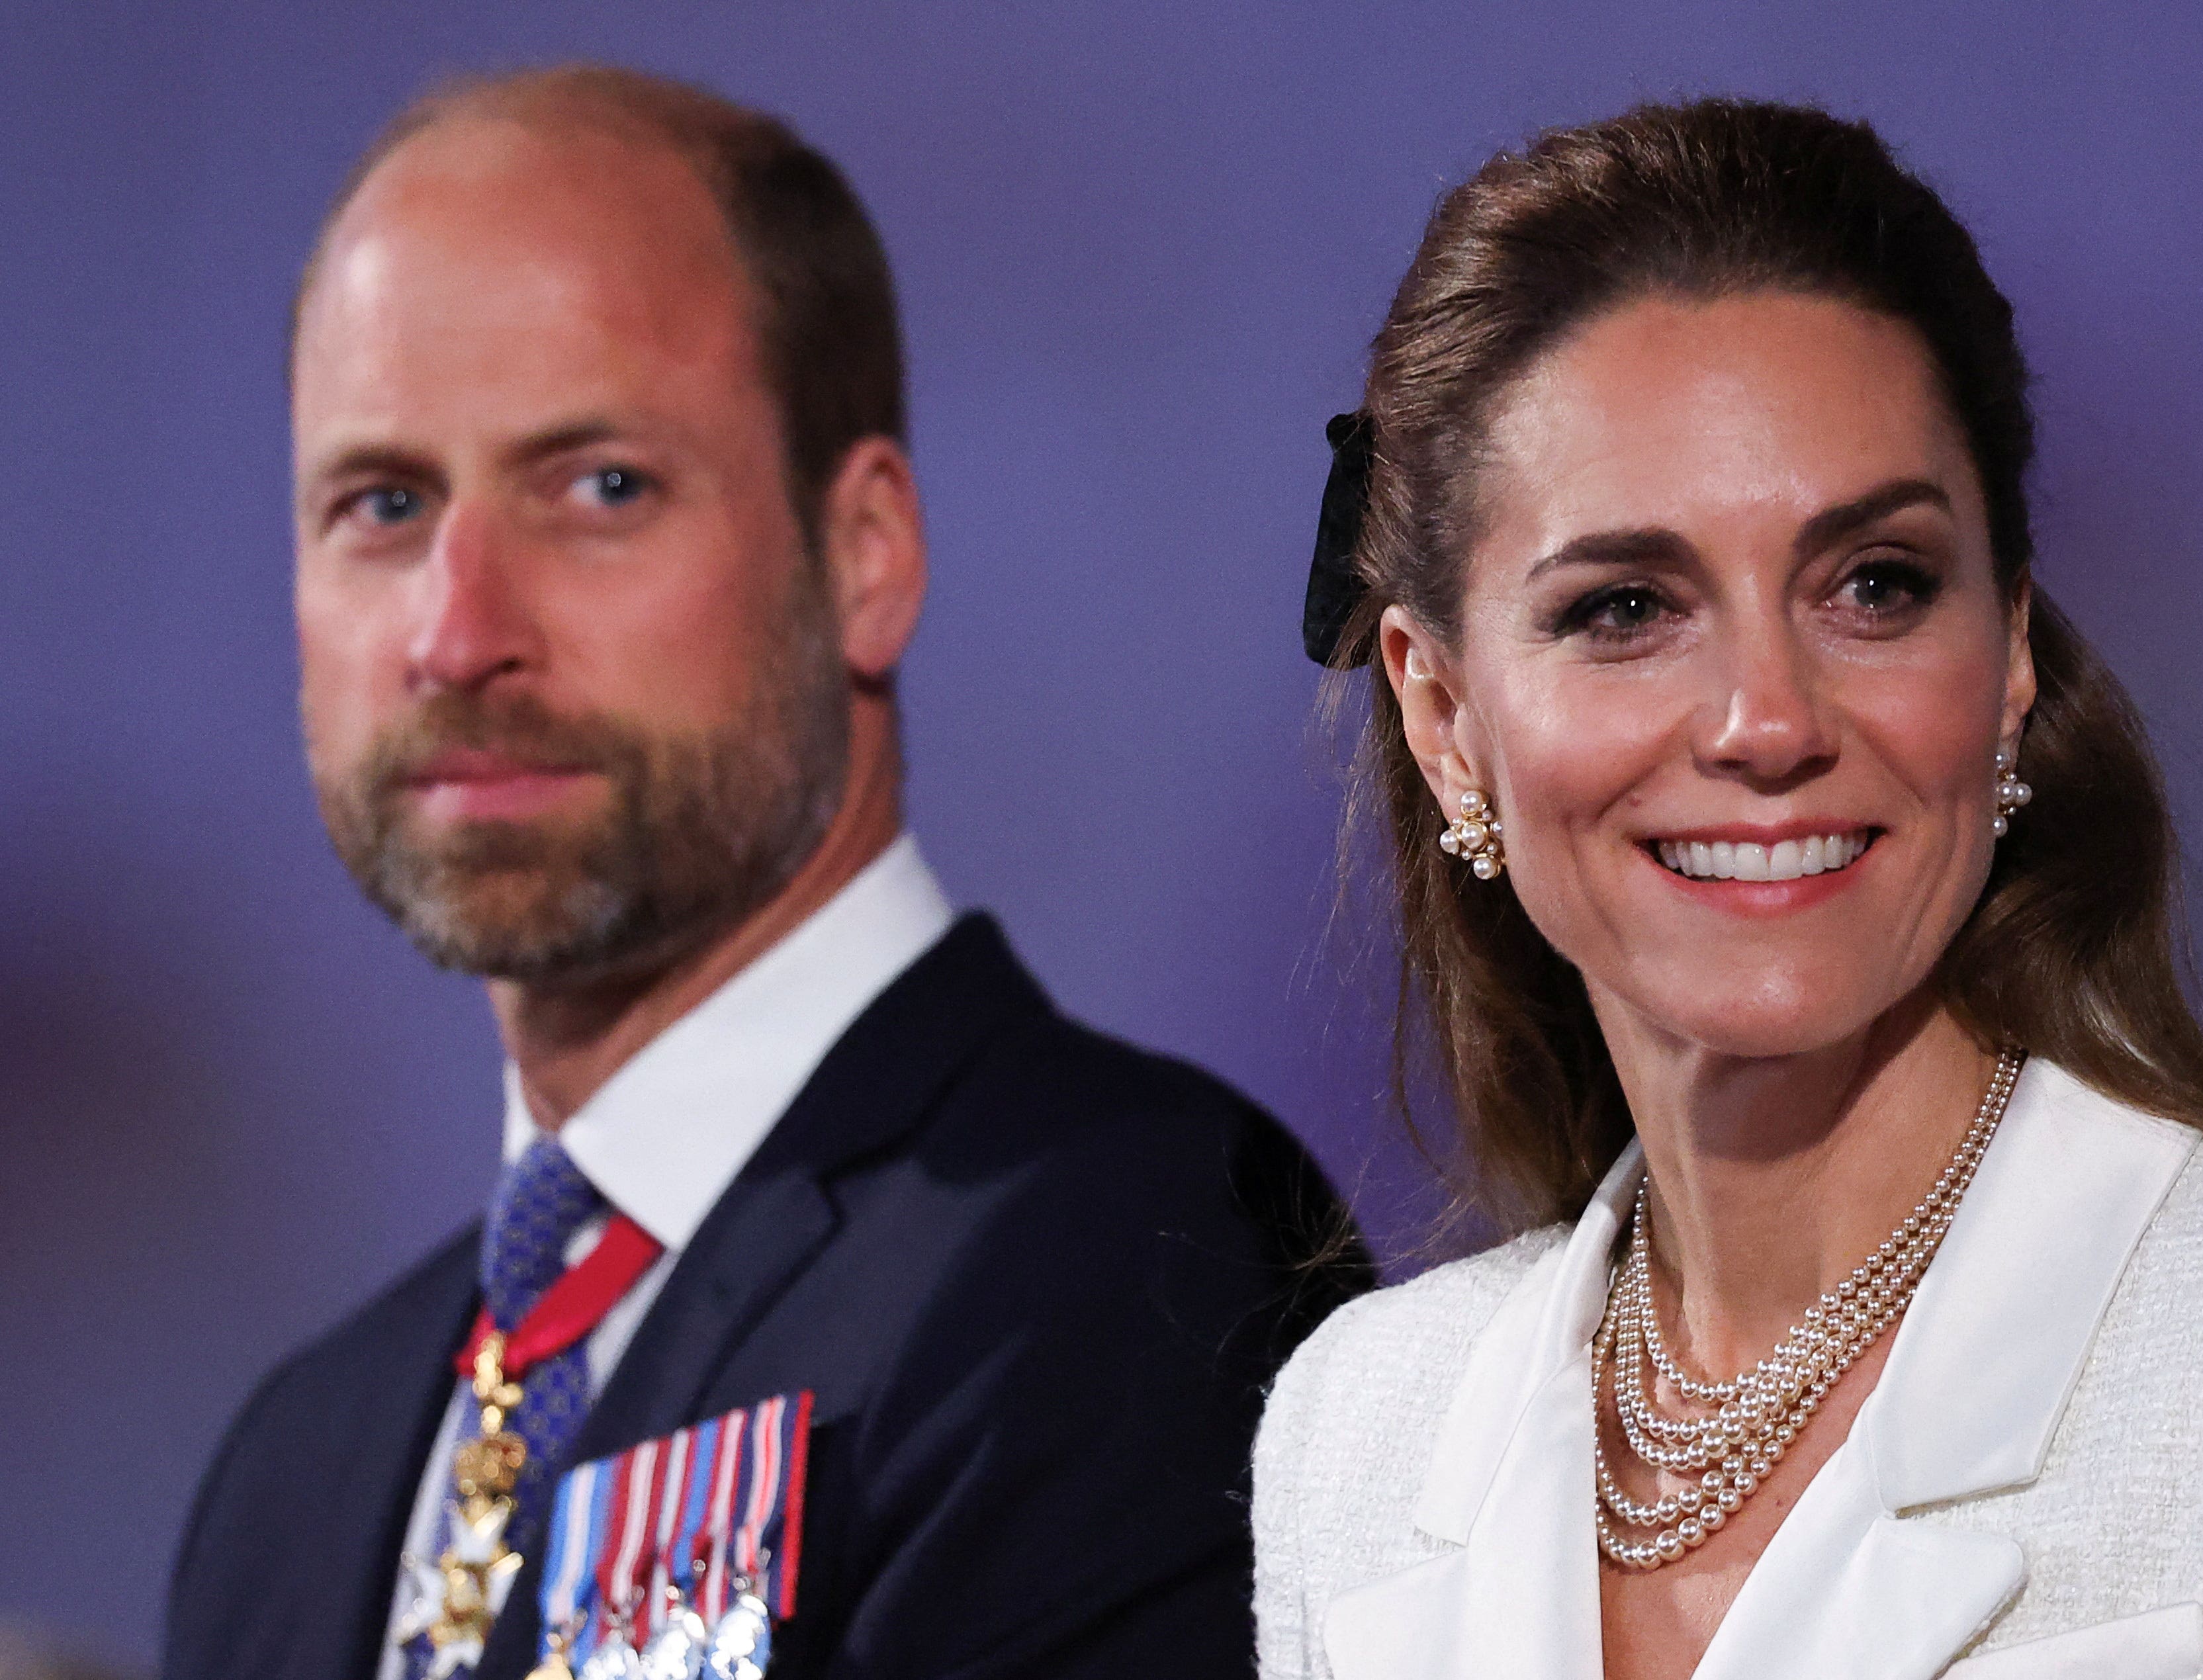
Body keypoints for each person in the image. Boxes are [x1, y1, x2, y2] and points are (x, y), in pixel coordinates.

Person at [1255, 98, 2203, 1680]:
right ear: (1442, 719)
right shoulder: (1358, 1432)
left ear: (2004, 656)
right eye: (1628, 606)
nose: (1766, 721)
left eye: (1875, 586)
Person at [164, 64, 1363, 1680]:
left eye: (600, 488)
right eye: (382, 504)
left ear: (863, 551)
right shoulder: (291, 1475)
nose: (457, 635)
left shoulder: (1121, 1261)